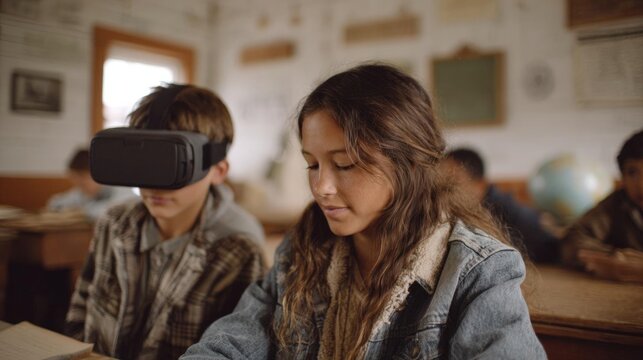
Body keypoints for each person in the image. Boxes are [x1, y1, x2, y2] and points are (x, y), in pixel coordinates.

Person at [181, 64, 545, 359]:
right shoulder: (302, 250)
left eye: (345, 164)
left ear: (407, 163)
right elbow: (234, 342)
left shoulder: (478, 273)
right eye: (312, 164)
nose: (321, 187)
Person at [64, 84, 266, 359]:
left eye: (172, 164)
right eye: (145, 163)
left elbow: (235, 347)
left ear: (218, 170)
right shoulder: (114, 224)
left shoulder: (237, 249)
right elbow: (81, 308)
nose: (154, 185)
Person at [441, 148, 560, 263]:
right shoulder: (462, 209)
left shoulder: (512, 211)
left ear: (479, 184)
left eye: (453, 182)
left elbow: (552, 249)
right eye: (442, 181)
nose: (444, 190)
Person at [562, 129, 643, 283]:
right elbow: (572, 240)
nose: (640, 185)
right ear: (622, 177)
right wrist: (616, 258)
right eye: (632, 173)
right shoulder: (617, 203)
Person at [47, 148, 137, 221]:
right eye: (77, 183)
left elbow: (115, 211)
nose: (80, 187)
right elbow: (55, 203)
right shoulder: (83, 192)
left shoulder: (120, 185)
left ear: (98, 173)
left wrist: (83, 211)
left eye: (83, 181)